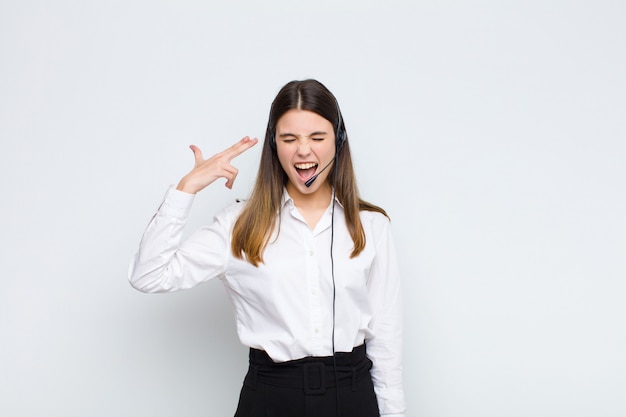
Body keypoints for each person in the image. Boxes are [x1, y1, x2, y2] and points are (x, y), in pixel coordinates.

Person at [128, 79, 405, 417]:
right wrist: (186, 190)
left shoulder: (371, 226)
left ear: (339, 141)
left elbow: (386, 340)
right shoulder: (238, 225)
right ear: (274, 145)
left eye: (317, 137)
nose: (304, 150)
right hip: (271, 397)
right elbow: (149, 275)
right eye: (290, 139)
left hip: (352, 396)